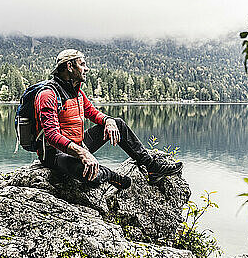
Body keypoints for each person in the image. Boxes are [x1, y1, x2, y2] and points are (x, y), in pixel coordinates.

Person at [34, 49, 183, 189]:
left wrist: (108, 120)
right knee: (89, 175)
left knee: (118, 123)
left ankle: (151, 167)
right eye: (82, 64)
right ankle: (111, 175)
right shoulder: (48, 94)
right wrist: (83, 153)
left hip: (78, 145)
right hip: (54, 154)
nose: (86, 69)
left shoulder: (77, 91)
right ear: (69, 66)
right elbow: (52, 136)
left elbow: (92, 112)